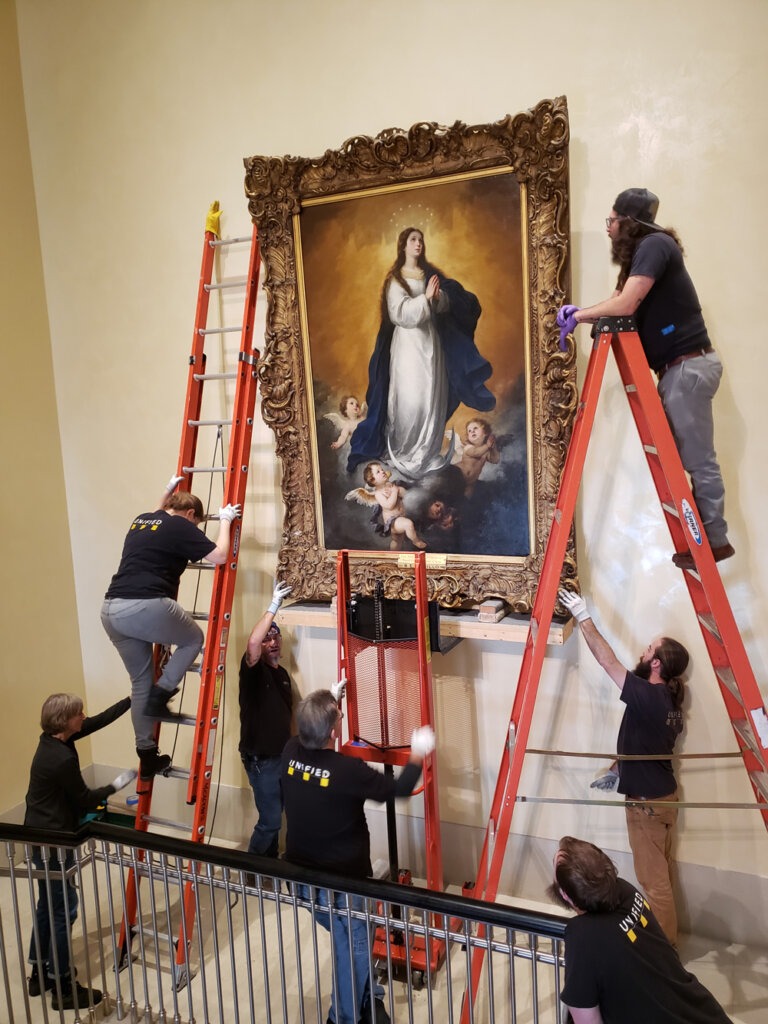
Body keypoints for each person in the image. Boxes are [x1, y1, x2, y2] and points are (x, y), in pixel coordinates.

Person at [557, 188, 733, 569]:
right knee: (686, 456)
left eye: (612, 221)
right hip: (677, 369)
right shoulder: (639, 256)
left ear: (629, 222)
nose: (608, 228)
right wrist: (584, 316)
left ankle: (715, 541)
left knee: (698, 460)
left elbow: (624, 305)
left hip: (687, 367)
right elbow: (617, 301)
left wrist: (580, 315)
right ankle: (706, 540)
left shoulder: (655, 245)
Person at [282, 688, 435, 1024]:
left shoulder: (290, 751)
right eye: (337, 717)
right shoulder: (347, 770)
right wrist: (417, 752)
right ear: (333, 731)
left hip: (302, 882)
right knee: (354, 947)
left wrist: (326, 701)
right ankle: (343, 1017)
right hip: (343, 888)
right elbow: (399, 789)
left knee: (349, 942)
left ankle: (368, 997)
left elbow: (314, 739)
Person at [559, 589, 688, 945]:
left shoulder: (649, 697)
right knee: (661, 874)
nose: (644, 652)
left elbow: (608, 662)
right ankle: (665, 939)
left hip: (647, 805)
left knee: (653, 882)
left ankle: (664, 952)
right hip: (663, 798)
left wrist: (583, 617)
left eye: (649, 650)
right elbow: (649, 744)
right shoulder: (667, 701)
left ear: (657, 663)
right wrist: (617, 770)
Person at [101, 474, 240, 780]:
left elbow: (158, 510)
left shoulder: (142, 519)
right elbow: (220, 556)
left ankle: (147, 755)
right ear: (190, 514)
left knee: (140, 682)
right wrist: (226, 521)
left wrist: (167, 489)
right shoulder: (180, 525)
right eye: (197, 524)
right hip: (144, 605)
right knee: (193, 639)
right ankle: (162, 694)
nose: (194, 531)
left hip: (111, 611)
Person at [348, 226, 495, 479]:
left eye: (421, 240)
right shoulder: (396, 279)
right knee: (410, 399)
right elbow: (399, 313)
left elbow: (445, 303)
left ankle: (427, 454)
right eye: (413, 240)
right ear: (403, 245)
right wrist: (425, 299)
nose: (418, 244)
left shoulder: (430, 275)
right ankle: (403, 451)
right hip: (407, 346)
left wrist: (438, 298)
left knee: (431, 396)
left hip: (431, 344)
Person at [24, 692, 137, 1010]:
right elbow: (85, 799)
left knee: (47, 905)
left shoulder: (52, 740)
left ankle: (39, 975)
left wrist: (132, 699)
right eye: (79, 713)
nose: (83, 716)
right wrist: (117, 784)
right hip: (55, 841)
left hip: (38, 835)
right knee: (64, 910)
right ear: (65, 721)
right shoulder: (60, 759)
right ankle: (63, 987)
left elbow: (97, 721)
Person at [549, 835, 732, 1023]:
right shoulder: (625, 890)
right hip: (702, 1012)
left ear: (565, 894)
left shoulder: (582, 935)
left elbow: (587, 1020)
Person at [238, 581, 294, 857]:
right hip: (262, 760)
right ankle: (251, 871)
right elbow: (251, 644)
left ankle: (268, 865)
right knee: (270, 821)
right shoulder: (253, 672)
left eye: (276, 637)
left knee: (277, 815)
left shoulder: (282, 674)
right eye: (266, 639)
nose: (272, 642)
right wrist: (273, 606)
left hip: (281, 756)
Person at [345, 462, 427, 550]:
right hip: (393, 522)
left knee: (397, 541)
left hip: (401, 517)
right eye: (378, 472)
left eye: (382, 470)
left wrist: (398, 490)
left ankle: (393, 554)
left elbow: (405, 494)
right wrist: (394, 492)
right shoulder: (378, 494)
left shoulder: (390, 485)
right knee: (408, 524)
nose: (382, 472)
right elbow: (389, 506)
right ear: (373, 480)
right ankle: (416, 541)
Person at [455, 417, 499, 497]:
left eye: (475, 428)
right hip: (457, 476)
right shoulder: (468, 447)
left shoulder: (486, 451)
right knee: (452, 492)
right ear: (468, 437)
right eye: (469, 431)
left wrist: (493, 447)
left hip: (471, 482)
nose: (472, 431)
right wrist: (487, 446)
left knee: (466, 498)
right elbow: (476, 453)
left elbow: (495, 460)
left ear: (485, 432)